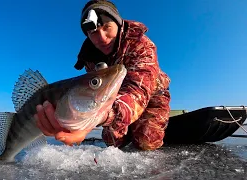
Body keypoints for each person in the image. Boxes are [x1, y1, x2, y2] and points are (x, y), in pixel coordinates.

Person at [35, 0, 171, 150]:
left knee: (146, 141)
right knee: (113, 143)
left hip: (149, 97)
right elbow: (93, 96)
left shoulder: (141, 44)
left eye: (107, 27)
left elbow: (138, 91)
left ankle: (156, 125)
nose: (102, 38)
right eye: (93, 32)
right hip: (109, 103)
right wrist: (83, 128)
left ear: (118, 24)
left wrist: (103, 116)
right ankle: (130, 129)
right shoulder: (90, 59)